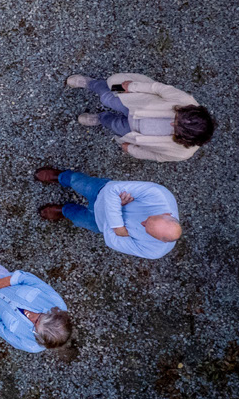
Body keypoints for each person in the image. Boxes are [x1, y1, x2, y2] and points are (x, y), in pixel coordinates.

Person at [35, 167, 181, 259]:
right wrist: (119, 229)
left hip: (98, 222)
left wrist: (118, 204)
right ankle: (61, 177)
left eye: (145, 229)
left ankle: (64, 211)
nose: (142, 223)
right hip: (101, 192)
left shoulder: (154, 251)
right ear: (167, 214)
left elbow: (111, 241)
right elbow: (113, 189)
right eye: (148, 219)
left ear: (159, 240)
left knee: (77, 218)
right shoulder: (159, 195)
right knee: (78, 181)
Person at [65, 73, 214, 162]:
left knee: (114, 124)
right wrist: (132, 87)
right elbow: (158, 88)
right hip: (134, 103)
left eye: (175, 127)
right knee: (107, 97)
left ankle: (100, 118)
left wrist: (131, 149)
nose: (171, 122)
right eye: (177, 118)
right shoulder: (186, 101)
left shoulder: (183, 153)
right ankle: (91, 83)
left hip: (133, 132)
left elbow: (158, 156)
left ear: (184, 139)